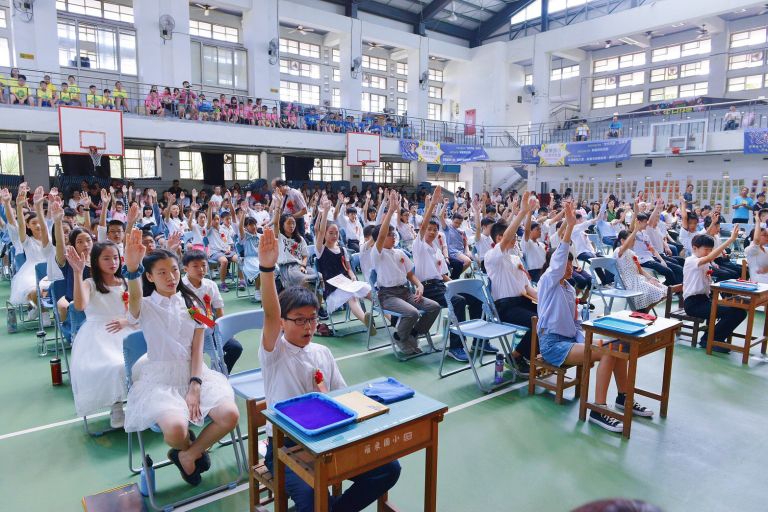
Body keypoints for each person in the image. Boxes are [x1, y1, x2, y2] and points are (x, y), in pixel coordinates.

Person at [257, 227, 400, 511]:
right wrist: (267, 268)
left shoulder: (323, 351)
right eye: (299, 320)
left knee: (388, 468)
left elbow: (342, 396)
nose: (308, 326)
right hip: (287, 449)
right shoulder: (275, 352)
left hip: (330, 439)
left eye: (311, 319)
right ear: (283, 323)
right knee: (312, 497)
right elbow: (271, 312)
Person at [123, 230, 239, 486]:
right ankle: (189, 448)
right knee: (176, 430)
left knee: (230, 415)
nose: (170, 276)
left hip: (195, 374)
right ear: (150, 277)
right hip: (161, 379)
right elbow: (132, 305)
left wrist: (195, 385)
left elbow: (197, 350)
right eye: (161, 272)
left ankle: (189, 455)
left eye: (174, 270)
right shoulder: (145, 305)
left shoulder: (193, 305)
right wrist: (131, 269)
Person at [537, 200, 653, 433]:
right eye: (566, 264)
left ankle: (623, 397)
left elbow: (576, 324)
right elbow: (558, 262)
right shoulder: (548, 282)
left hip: (571, 341)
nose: (569, 268)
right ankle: (598, 410)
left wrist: (587, 341)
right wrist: (569, 227)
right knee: (609, 351)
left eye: (572, 264)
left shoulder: (569, 289)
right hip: (553, 345)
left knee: (617, 347)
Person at [66, 242, 135, 427]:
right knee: (115, 366)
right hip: (100, 336)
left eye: (115, 257)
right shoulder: (90, 284)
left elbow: (138, 310)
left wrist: (127, 321)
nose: (112, 262)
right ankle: (116, 406)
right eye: (106, 258)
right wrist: (77, 272)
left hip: (127, 329)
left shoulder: (127, 282)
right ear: (95, 262)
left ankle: (143, 402)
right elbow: (80, 305)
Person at [414, 186, 485, 363]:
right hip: (428, 289)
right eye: (428, 229)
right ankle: (456, 346)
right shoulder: (419, 246)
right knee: (458, 302)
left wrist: (457, 285)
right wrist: (432, 205)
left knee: (475, 297)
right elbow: (422, 227)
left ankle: (479, 341)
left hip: (441, 285)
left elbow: (445, 276)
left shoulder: (436, 249)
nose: (431, 232)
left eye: (434, 230)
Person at [372, 190, 441, 356]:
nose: (393, 237)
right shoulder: (377, 253)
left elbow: (411, 275)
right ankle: (399, 337)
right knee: (412, 312)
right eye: (390, 235)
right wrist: (391, 210)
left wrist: (419, 286)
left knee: (434, 307)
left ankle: (413, 334)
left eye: (393, 234)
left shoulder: (400, 253)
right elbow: (381, 236)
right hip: (388, 295)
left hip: (405, 291)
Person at [485, 192, 538, 375]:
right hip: (505, 307)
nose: (514, 239)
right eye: (511, 236)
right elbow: (508, 236)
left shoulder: (515, 258)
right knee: (537, 322)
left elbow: (527, 288)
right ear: (499, 239)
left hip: (523, 301)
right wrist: (522, 213)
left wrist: (547, 300)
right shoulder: (492, 257)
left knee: (551, 316)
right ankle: (517, 356)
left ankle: (521, 355)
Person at [314, 198, 374, 333]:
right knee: (352, 297)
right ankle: (367, 322)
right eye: (331, 233)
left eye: (336, 233)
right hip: (333, 290)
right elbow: (320, 230)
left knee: (370, 292)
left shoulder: (343, 250)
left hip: (347, 283)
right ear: (324, 235)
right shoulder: (320, 250)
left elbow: (349, 268)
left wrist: (352, 275)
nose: (334, 235)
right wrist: (325, 212)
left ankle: (392, 318)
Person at [682, 230, 745, 353]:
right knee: (735, 313)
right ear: (694, 248)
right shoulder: (691, 260)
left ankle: (713, 337)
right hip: (693, 304)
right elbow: (710, 258)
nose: (709, 253)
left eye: (710, 250)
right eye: (706, 250)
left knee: (740, 311)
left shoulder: (703, 261)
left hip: (705, 300)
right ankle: (709, 340)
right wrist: (731, 240)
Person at [181, 250, 243, 373]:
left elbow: (219, 310)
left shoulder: (210, 285)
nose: (201, 269)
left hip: (210, 328)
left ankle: (219, 375)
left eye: (204, 265)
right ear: (185, 269)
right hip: (188, 333)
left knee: (235, 347)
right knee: (190, 359)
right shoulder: (180, 287)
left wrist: (225, 331)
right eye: (195, 266)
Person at [613, 226, 667, 312]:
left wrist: (650, 278)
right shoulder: (618, 251)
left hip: (639, 278)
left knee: (665, 290)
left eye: (634, 239)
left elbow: (640, 269)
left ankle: (645, 310)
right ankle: (643, 311)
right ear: (622, 241)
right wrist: (635, 230)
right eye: (631, 239)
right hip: (630, 281)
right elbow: (623, 249)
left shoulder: (632, 253)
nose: (633, 241)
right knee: (659, 292)